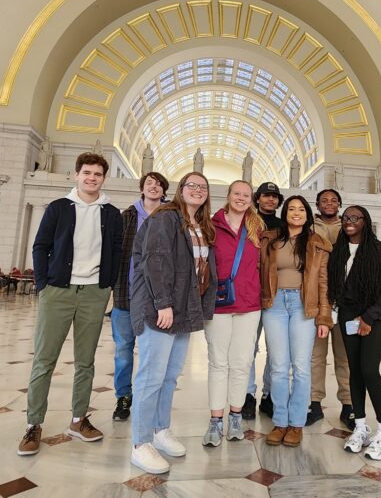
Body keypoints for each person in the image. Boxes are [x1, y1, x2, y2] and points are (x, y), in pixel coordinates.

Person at [18, 152, 122, 457]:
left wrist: (107, 286)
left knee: (85, 361)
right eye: (86, 173)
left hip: (93, 292)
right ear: (76, 175)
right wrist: (43, 285)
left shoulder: (111, 213)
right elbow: (41, 246)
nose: (91, 178)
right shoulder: (58, 208)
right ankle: (33, 424)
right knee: (44, 360)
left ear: (104, 178)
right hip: (58, 290)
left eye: (97, 174)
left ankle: (78, 420)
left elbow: (116, 250)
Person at [128, 171, 217, 474]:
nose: (197, 190)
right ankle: (140, 444)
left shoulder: (200, 225)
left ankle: (160, 430)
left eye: (202, 187)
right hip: (162, 308)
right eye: (191, 185)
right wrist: (161, 303)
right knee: (150, 377)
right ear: (181, 190)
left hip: (184, 309)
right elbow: (155, 259)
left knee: (169, 376)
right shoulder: (166, 217)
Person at [260, 195, 332, 448]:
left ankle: (297, 423)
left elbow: (323, 282)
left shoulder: (317, 243)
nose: (296, 213)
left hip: (304, 307)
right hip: (275, 305)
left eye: (301, 209)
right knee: (279, 366)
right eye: (291, 209)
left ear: (307, 214)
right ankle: (280, 421)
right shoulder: (269, 239)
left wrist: (324, 316)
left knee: (301, 367)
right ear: (285, 213)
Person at [330, 206, 381, 460]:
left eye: (355, 218)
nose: (349, 221)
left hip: (375, 317)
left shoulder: (380, 250)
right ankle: (360, 427)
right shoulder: (339, 251)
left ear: (365, 222)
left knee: (369, 370)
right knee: (354, 372)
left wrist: (368, 317)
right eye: (346, 218)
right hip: (348, 317)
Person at [203, 180, 265, 447]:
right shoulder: (211, 226)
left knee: (241, 363)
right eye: (236, 193)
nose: (241, 198)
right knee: (218, 362)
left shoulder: (258, 228)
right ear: (228, 196)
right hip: (218, 304)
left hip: (249, 304)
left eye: (246, 195)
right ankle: (216, 420)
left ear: (251, 200)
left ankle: (236, 416)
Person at [111, 171, 168, 421]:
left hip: (157, 298)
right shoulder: (127, 216)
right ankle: (123, 396)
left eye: (158, 184)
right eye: (149, 183)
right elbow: (116, 253)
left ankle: (149, 397)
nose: (153, 187)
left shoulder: (171, 216)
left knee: (152, 353)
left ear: (164, 190)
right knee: (123, 351)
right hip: (126, 295)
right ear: (142, 188)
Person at [308, 188, 354, 429]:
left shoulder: (349, 226)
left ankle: (348, 404)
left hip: (345, 300)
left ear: (339, 204)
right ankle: (314, 404)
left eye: (334, 200)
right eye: (324, 200)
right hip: (318, 301)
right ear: (317, 204)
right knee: (316, 355)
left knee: (344, 356)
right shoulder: (310, 228)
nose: (329, 203)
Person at [244, 181, 284, 419]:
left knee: (275, 348)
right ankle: (248, 395)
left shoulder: (284, 226)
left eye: (275, 197)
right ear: (257, 198)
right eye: (266, 196)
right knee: (248, 347)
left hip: (276, 294)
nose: (270, 200)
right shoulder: (248, 221)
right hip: (250, 292)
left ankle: (269, 394)